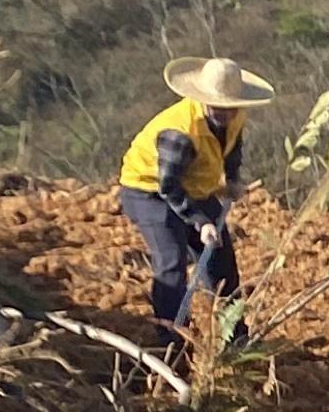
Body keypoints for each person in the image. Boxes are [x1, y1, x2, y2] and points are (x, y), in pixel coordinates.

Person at [116, 56, 276, 335]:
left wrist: (232, 179)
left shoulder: (235, 115)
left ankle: (234, 335)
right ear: (203, 100)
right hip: (149, 190)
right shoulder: (178, 133)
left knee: (222, 260)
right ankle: (172, 338)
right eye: (218, 107)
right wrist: (201, 222)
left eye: (230, 107)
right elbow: (169, 187)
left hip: (195, 186)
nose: (226, 114)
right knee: (171, 261)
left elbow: (232, 145)